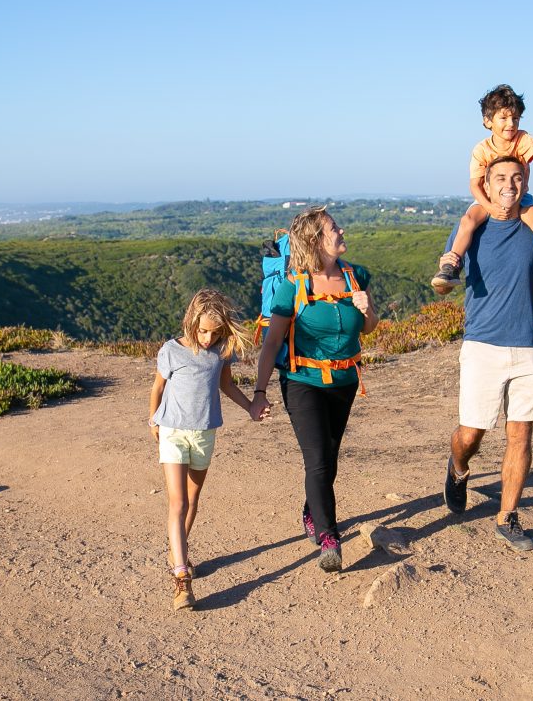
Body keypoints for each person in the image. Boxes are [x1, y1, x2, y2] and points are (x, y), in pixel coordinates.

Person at [440, 156, 533, 552]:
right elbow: (446, 277)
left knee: (521, 433)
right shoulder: (473, 227)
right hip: (482, 346)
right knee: (471, 434)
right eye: (500, 178)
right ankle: (459, 467)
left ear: (525, 181)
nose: (509, 185)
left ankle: (507, 516)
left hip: (530, 345)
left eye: (517, 177)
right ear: (486, 182)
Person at [248, 207, 379, 573]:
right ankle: (328, 538)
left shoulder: (357, 276)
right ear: (314, 241)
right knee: (318, 458)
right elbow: (272, 342)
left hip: (344, 382)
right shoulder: (294, 285)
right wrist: (259, 392)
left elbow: (367, 328)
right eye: (333, 228)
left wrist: (367, 311)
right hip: (302, 381)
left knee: (330, 457)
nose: (341, 230)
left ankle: (312, 509)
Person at [148, 288, 255, 611]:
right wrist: (153, 421)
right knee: (178, 503)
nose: (208, 338)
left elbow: (226, 385)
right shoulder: (171, 351)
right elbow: (158, 387)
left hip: (204, 433)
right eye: (203, 330)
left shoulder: (222, 351)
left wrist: (251, 407)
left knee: (193, 501)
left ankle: (176, 549)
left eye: (215, 331)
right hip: (173, 431)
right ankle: (182, 580)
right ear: (191, 323)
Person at [431, 83, 533, 294]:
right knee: (468, 221)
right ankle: (451, 266)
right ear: (488, 121)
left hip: (521, 197)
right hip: (486, 198)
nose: (511, 124)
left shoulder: (523, 139)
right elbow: (475, 185)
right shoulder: (482, 149)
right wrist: (489, 207)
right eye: (504, 118)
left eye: (515, 118)